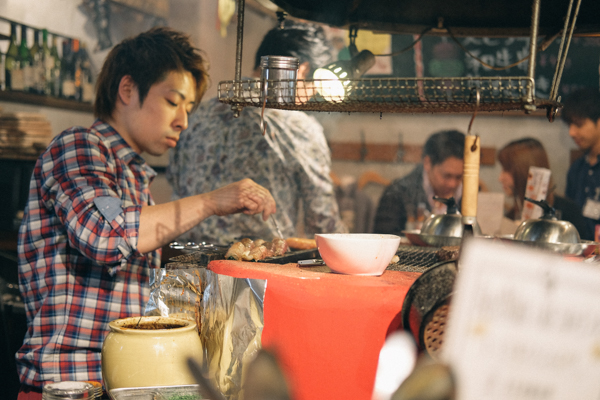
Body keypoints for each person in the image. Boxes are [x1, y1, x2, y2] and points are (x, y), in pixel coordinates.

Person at [16, 27, 277, 398]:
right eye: (173, 102)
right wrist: (209, 201)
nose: (183, 122)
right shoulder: (79, 147)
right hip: (70, 387)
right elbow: (109, 235)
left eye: (188, 109)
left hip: (121, 381)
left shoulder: (132, 177)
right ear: (127, 90)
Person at [167, 21, 346, 245]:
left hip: (183, 261)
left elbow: (174, 179)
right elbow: (322, 221)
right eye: (315, 88)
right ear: (303, 70)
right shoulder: (299, 127)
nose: (310, 98)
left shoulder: (191, 116)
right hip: (255, 266)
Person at [373, 130, 465, 235]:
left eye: (459, 177)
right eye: (446, 176)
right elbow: (383, 240)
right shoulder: (397, 193)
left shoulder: (473, 196)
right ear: (427, 163)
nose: (452, 184)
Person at [497, 138, 589, 239]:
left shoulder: (569, 213)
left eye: (507, 169)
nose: (500, 178)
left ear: (523, 170)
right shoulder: (512, 215)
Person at [561, 87, 600, 241]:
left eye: (579, 124)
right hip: (578, 257)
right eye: (570, 125)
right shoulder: (576, 169)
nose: (571, 132)